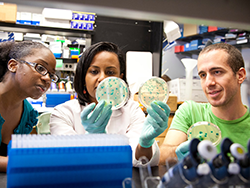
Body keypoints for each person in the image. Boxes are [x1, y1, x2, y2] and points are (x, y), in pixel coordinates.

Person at [50, 41, 170, 166]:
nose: (102, 78)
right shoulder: (62, 113)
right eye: (94, 71)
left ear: (120, 77)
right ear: (83, 76)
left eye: (110, 72)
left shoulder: (132, 110)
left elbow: (140, 161)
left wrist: (145, 143)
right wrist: (91, 136)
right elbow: (67, 160)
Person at [159, 43, 250, 164]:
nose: (208, 83)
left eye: (217, 72)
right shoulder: (190, 111)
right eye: (203, 75)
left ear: (240, 75)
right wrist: (176, 151)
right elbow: (163, 157)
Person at [0, 40, 58, 172]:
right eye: (40, 68)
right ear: (13, 65)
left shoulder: (28, 115)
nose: (47, 79)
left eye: (51, 74)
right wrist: (24, 163)